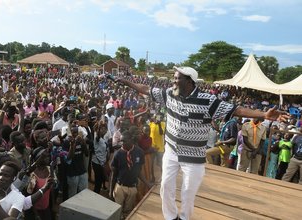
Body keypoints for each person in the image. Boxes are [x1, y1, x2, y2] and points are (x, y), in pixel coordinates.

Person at [115, 66, 289, 220]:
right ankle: (170, 217)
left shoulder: (208, 100)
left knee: (188, 192)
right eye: (174, 78)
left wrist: (263, 115)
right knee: (165, 187)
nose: (174, 81)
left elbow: (236, 110)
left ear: (189, 81)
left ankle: (184, 217)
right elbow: (146, 88)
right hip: (172, 150)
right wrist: (126, 82)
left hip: (194, 156)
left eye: (178, 78)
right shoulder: (169, 94)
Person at [109, 130, 151, 219]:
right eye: (121, 141)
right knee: (117, 211)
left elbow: (139, 171)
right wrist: (111, 190)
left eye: (124, 141)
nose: (122, 143)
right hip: (120, 187)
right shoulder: (118, 154)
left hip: (133, 187)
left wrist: (147, 183)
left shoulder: (139, 152)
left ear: (131, 140)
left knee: (128, 212)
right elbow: (114, 174)